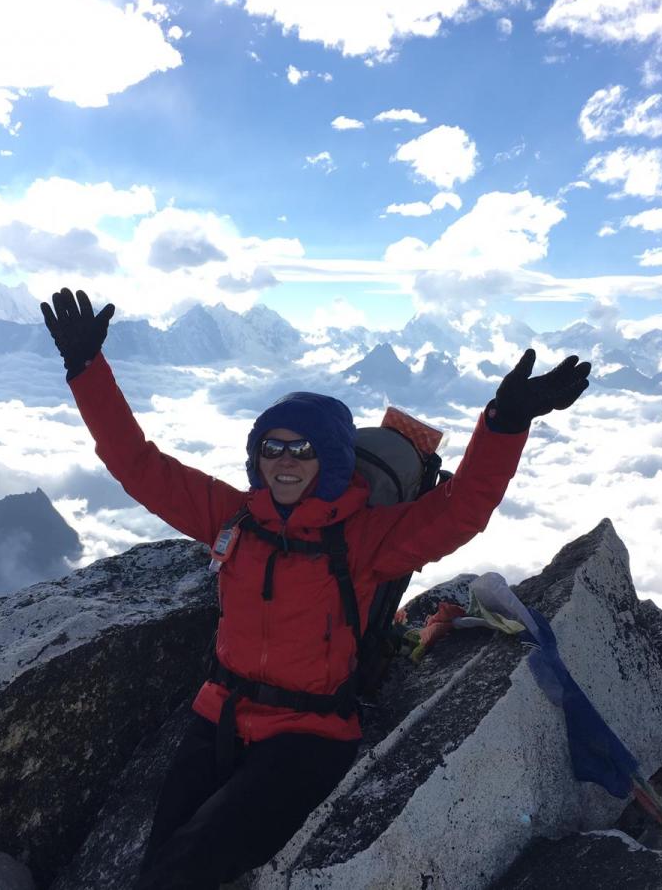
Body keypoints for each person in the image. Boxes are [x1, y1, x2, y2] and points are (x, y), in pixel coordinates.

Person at [41, 288, 591, 890]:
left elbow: (460, 510)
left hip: (310, 734)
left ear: (327, 461)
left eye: (301, 450)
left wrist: (504, 424)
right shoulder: (232, 517)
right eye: (271, 447)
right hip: (220, 713)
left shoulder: (361, 540)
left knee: (183, 868)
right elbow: (138, 465)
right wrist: (86, 370)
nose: (284, 460)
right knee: (162, 859)